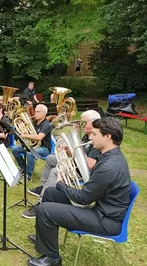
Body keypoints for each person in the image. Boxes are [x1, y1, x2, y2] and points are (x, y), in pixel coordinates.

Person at [27, 117, 130, 266]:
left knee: (44, 210)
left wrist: (61, 183)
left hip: (105, 220)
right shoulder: (109, 156)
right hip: (100, 209)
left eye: (94, 134)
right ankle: (44, 239)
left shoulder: (109, 166)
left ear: (108, 137)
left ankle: (52, 259)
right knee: (50, 193)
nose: (90, 136)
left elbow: (83, 198)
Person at [22, 110, 101, 219]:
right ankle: (44, 186)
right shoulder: (87, 136)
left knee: (56, 170)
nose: (80, 125)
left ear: (94, 122)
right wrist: (69, 151)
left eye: (84, 122)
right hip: (78, 164)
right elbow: (79, 152)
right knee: (50, 159)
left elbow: (90, 164)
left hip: (85, 171)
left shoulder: (97, 138)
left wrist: (72, 155)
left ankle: (42, 202)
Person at [11, 104, 52, 182]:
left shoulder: (46, 125)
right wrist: (23, 131)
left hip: (44, 148)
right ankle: (23, 168)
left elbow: (39, 137)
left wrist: (25, 135)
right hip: (33, 146)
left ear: (44, 113)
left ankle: (28, 176)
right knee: (14, 149)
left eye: (38, 112)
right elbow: (29, 133)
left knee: (30, 153)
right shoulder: (34, 122)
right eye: (35, 111)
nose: (35, 113)